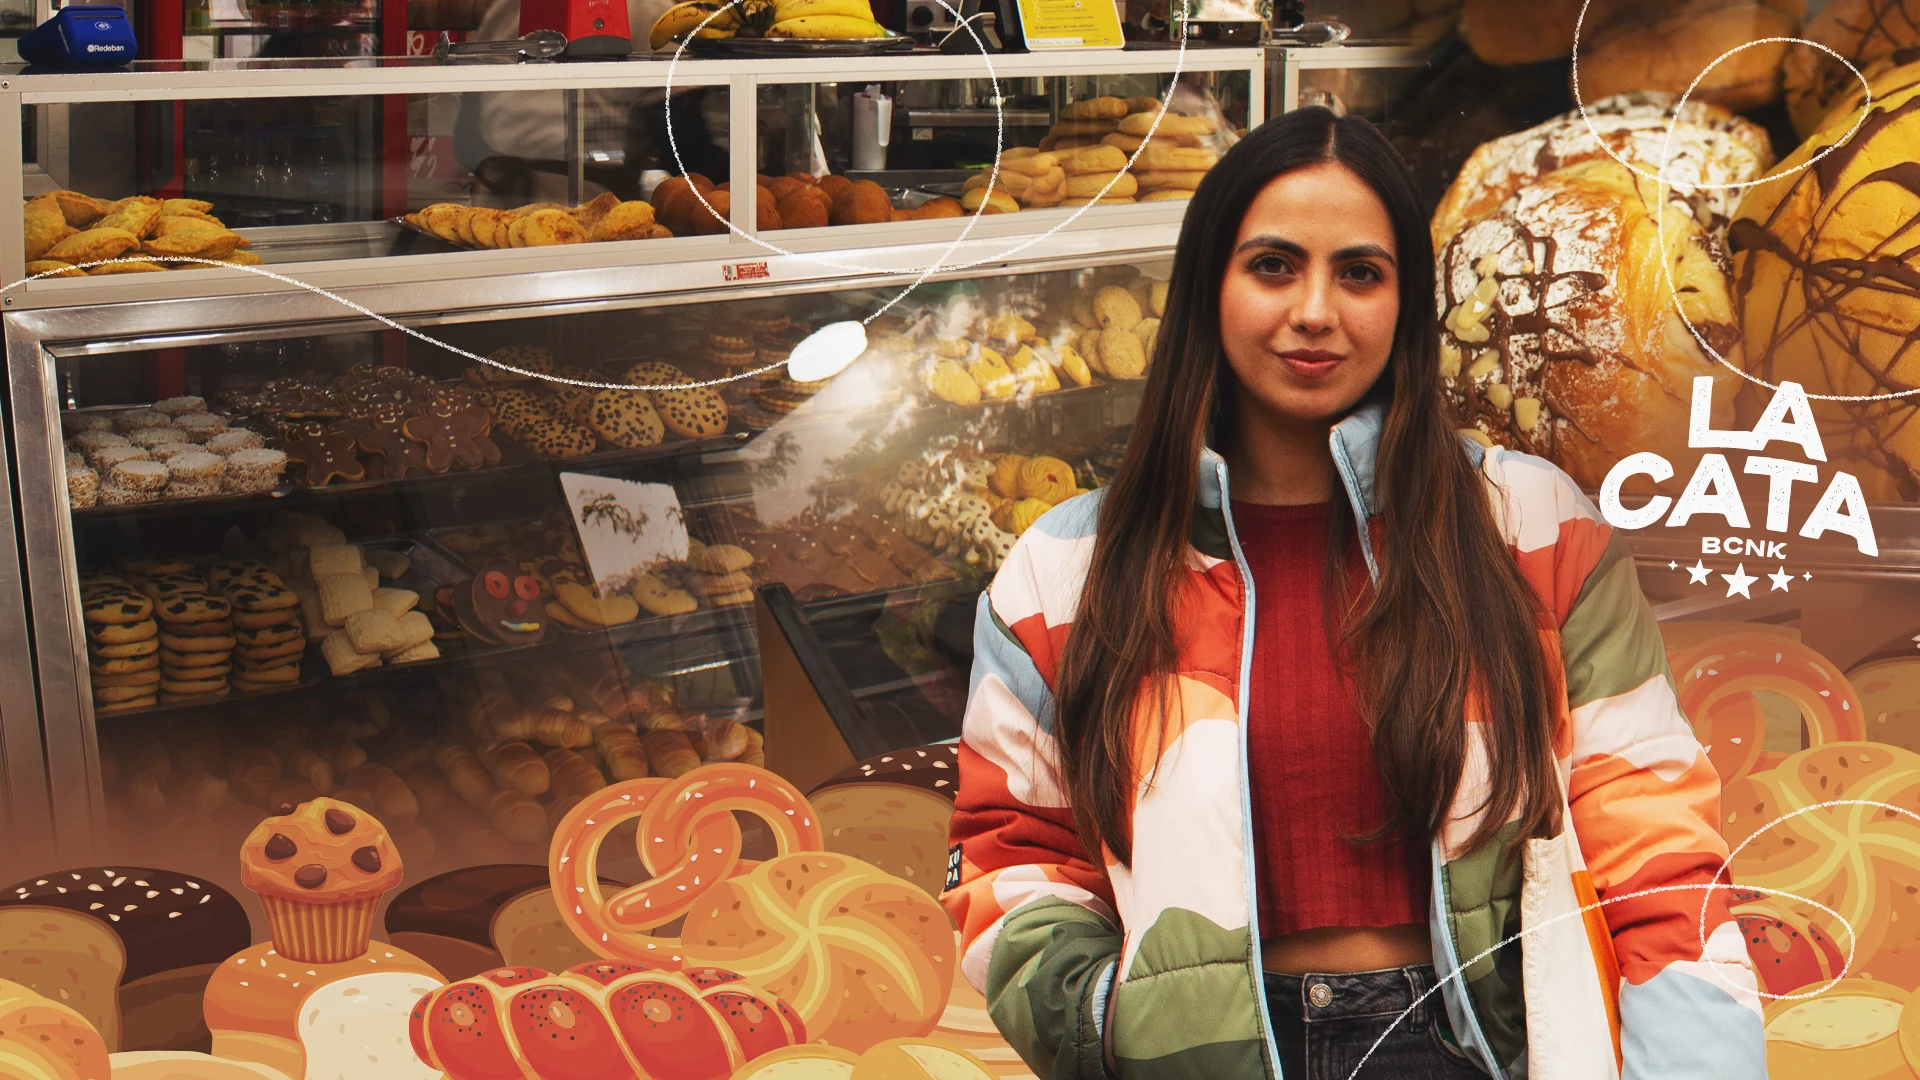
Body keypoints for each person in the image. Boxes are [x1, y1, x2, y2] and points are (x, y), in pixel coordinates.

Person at [940, 107, 1764, 1080]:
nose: (1316, 311)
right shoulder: (1063, 570)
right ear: (1209, 289)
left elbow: (1654, 842)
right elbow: (1013, 852)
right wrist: (1112, 1021)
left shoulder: (1534, 528)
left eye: (1360, 272)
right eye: (1275, 266)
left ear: (1407, 300)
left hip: (1466, 1051)